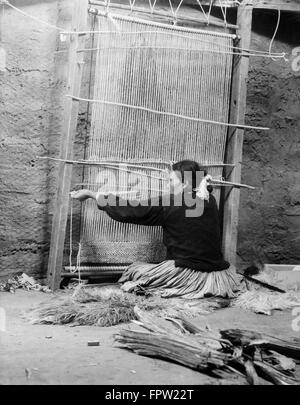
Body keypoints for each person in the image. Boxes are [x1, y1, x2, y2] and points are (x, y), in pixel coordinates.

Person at [71, 160, 240, 299]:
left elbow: (130, 209)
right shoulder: (210, 200)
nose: (168, 185)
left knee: (134, 271)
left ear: (186, 182)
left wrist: (92, 194)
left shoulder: (172, 202)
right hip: (217, 276)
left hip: (187, 274)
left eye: (171, 181)